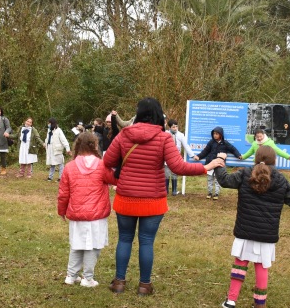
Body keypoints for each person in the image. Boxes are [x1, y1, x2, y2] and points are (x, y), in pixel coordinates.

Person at [103, 98, 223, 296]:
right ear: (159, 114)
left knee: (124, 239)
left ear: (139, 113)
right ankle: (144, 285)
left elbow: (107, 160)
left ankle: (119, 282)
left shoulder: (124, 135)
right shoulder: (164, 138)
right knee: (146, 241)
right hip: (153, 199)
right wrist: (206, 167)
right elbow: (178, 167)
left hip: (126, 197)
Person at [215, 145, 290, 308]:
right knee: (262, 267)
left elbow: (225, 180)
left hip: (245, 230)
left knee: (240, 265)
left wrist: (220, 162)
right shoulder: (281, 180)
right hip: (267, 234)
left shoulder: (245, 173)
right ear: (274, 160)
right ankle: (259, 305)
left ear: (256, 158)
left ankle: (231, 301)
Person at [58, 132, 117, 288]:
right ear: (95, 145)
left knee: (76, 244)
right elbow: (114, 179)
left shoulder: (69, 167)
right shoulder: (101, 165)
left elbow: (63, 193)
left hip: (77, 214)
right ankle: (87, 278)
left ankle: (71, 276)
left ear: (77, 145)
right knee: (93, 246)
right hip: (97, 214)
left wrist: (61, 211)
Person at [193, 126, 241, 200]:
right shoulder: (211, 142)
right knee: (209, 179)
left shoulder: (225, 143)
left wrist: (238, 155)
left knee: (217, 180)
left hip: (219, 165)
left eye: (217, 134)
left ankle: (216, 193)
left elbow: (233, 149)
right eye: (214, 133)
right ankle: (209, 193)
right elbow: (205, 151)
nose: (215, 135)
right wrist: (199, 157)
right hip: (210, 163)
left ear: (221, 134)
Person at [166, 119, 196, 196]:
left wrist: (192, 155)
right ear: (169, 127)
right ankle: (165, 191)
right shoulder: (166, 134)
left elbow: (186, 146)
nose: (175, 128)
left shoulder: (181, 135)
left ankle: (174, 190)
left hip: (176, 157)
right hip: (166, 157)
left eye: (176, 126)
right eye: (173, 127)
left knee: (174, 173)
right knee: (166, 173)